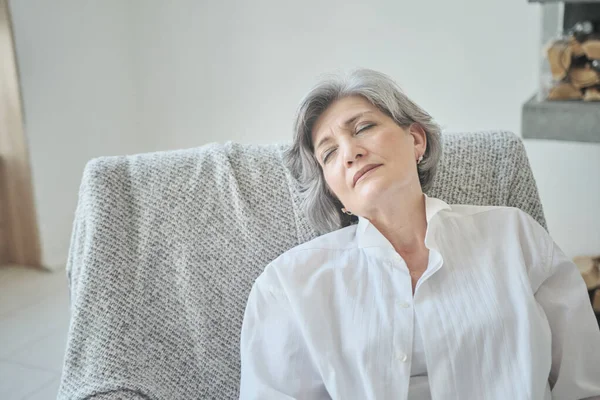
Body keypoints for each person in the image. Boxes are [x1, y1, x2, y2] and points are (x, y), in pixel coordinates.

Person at [239, 68, 600, 399]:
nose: (350, 152)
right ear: (335, 194)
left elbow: (585, 383)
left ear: (416, 140)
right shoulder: (288, 285)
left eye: (363, 127)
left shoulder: (514, 236)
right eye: (329, 153)